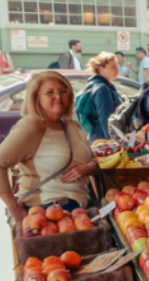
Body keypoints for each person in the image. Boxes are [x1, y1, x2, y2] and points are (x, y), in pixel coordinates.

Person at [0, 70, 98, 220]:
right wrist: (14, 208)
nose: (58, 96)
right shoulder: (31, 126)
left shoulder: (72, 125)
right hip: (46, 212)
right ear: (36, 97)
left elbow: (93, 158)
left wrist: (87, 167)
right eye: (50, 92)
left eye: (63, 91)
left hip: (77, 211)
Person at [75, 52, 122, 143]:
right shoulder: (102, 89)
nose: (117, 69)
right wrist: (113, 144)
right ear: (101, 69)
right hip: (103, 142)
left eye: (117, 66)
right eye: (112, 67)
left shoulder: (100, 86)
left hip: (99, 139)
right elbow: (106, 119)